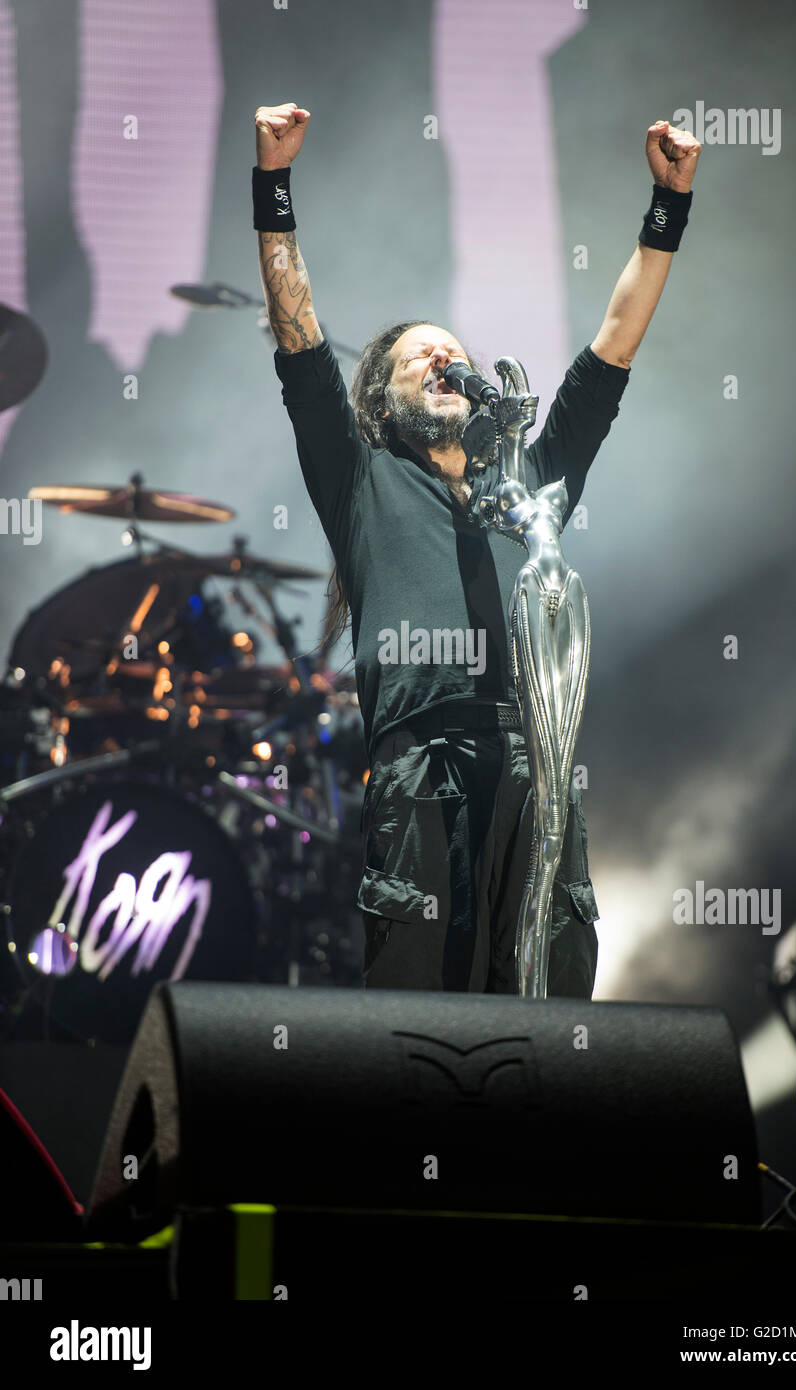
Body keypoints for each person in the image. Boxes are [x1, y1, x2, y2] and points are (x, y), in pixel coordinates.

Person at [252, 101, 700, 996]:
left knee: (547, 1012)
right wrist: (274, 183)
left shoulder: (528, 481)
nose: (441, 363)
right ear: (382, 396)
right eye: (420, 357)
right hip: (422, 769)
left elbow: (611, 351)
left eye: (452, 355)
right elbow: (299, 336)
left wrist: (668, 204)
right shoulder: (361, 478)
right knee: (425, 1019)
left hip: (537, 763)